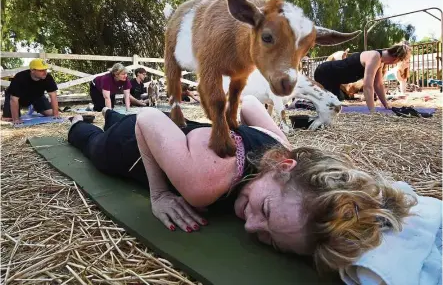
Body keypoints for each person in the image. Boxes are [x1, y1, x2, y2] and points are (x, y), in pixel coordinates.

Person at [67, 95, 416, 271]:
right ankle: (77, 121)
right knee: (93, 140)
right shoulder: (204, 183)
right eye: (264, 210)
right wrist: (159, 195)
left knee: (115, 117)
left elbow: (249, 103)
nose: (250, 226)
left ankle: (110, 114)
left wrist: (215, 129)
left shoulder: (284, 152)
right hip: (129, 148)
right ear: (283, 169)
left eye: (268, 239)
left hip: (176, 136)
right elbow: (147, 118)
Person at [314, 42, 411, 112]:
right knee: (327, 106)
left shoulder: (379, 60)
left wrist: (386, 105)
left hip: (334, 79)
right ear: (396, 58)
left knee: (336, 104)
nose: (395, 64)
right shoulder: (374, 57)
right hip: (324, 72)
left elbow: (378, 84)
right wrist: (372, 111)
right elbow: (367, 86)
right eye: (398, 62)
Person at [2, 58, 60, 124]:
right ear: (32, 70)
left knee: (50, 113)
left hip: (37, 96)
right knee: (8, 119)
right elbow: (14, 99)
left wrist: (56, 115)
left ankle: (35, 107)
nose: (45, 73)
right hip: (18, 98)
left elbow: (53, 95)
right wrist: (16, 119)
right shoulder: (20, 77)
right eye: (41, 70)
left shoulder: (48, 77)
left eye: (45, 70)